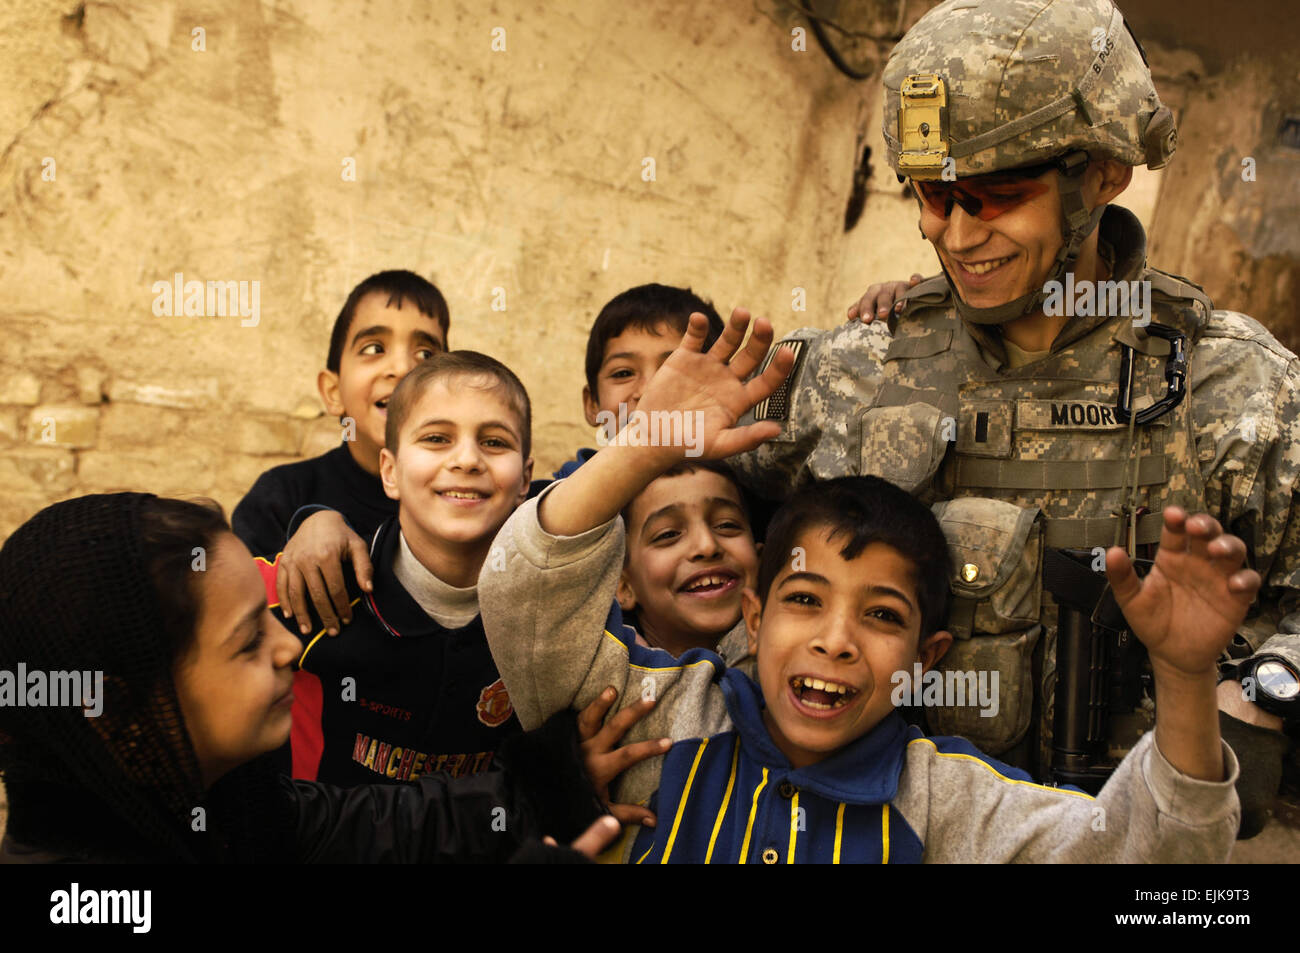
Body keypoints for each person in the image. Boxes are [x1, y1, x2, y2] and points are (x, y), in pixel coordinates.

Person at [729, 0, 1298, 835]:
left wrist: (1261, 687)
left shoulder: (1234, 386)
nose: (956, 234)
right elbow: (674, 528)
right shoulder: (850, 368)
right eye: (932, 195)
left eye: (995, 195)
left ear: (1103, 176)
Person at [480, 313, 1244, 862]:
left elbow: (1161, 866)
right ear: (753, 611)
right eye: (805, 599)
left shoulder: (949, 805)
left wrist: (1183, 676)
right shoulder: (661, 724)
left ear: (929, 651)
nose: (835, 639)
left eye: (881, 615)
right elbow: (524, 598)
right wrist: (646, 444)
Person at [0, 493, 664, 863]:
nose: (291, 646)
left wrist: (558, 779)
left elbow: (386, 824)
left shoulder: (227, 811)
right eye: (248, 641)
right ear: (119, 714)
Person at [259, 352, 546, 789]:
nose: (467, 460)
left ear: (525, 479)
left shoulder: (552, 609)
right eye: (436, 439)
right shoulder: (311, 587)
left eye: (494, 442)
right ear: (389, 472)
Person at [232, 269, 449, 610]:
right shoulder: (281, 498)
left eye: (425, 355)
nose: (403, 368)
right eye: (374, 348)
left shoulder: (468, 496)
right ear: (333, 392)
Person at [557, 283, 726, 478]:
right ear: (592, 403)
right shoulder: (561, 499)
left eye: (676, 373)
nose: (649, 392)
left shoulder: (751, 495)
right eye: (623, 374)